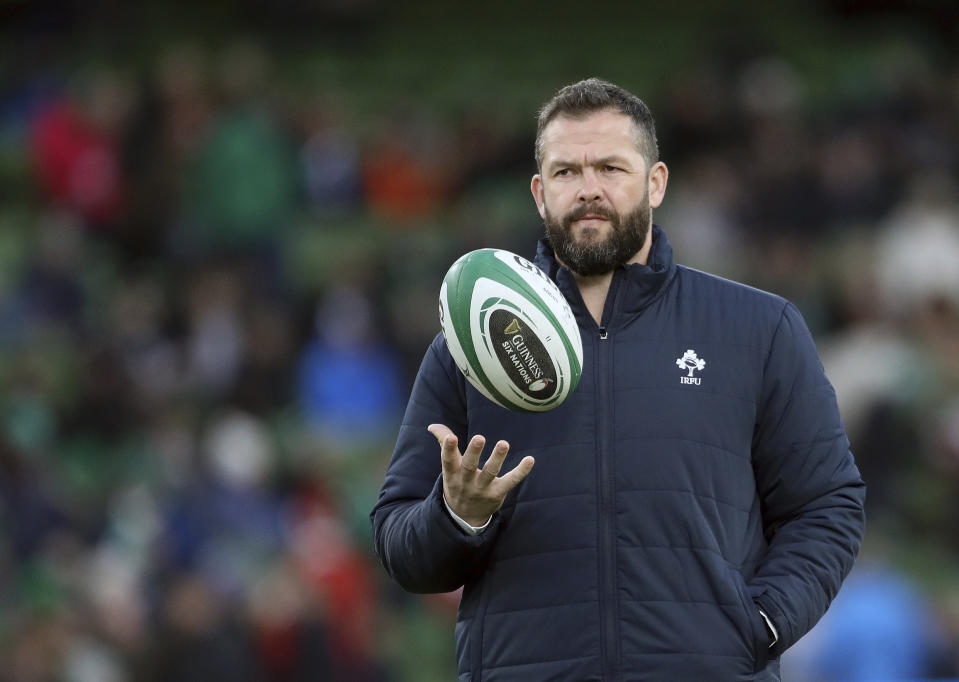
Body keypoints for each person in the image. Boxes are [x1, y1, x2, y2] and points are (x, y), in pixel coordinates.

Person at [371, 78, 866, 681]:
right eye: (566, 172)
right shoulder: (473, 346)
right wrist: (457, 516)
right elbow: (400, 543)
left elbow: (827, 505)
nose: (588, 190)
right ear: (538, 191)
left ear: (655, 182)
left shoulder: (758, 329)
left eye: (610, 167)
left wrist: (760, 623)